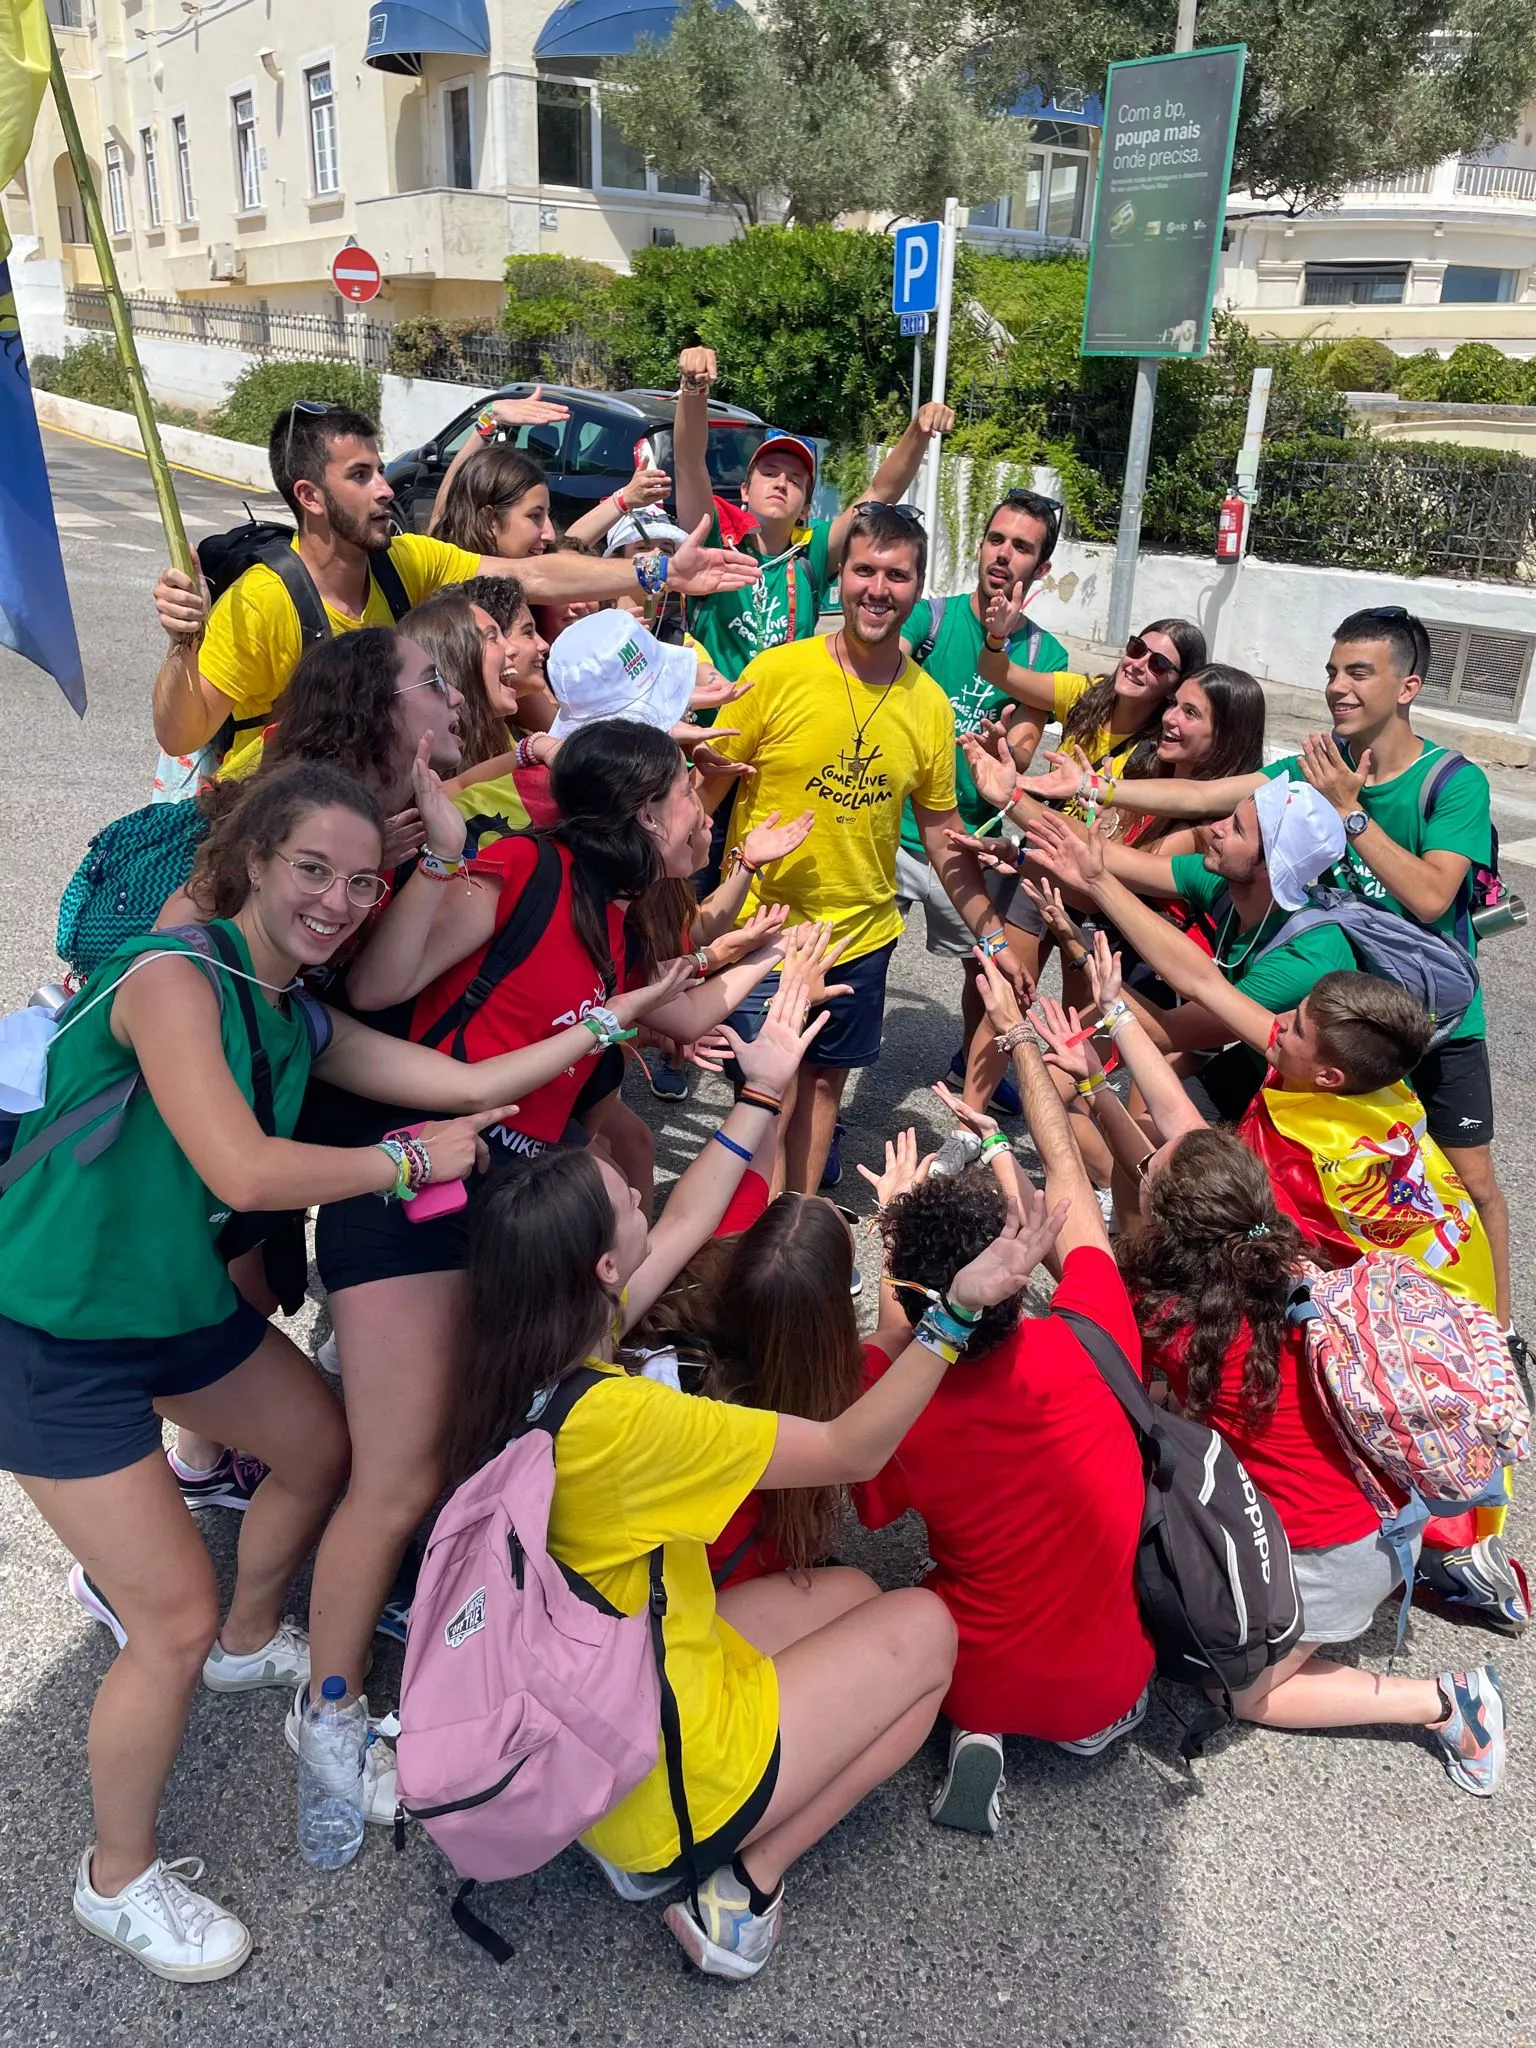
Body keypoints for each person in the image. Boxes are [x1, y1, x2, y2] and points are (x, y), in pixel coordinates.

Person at [0, 761, 717, 1982]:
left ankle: (247, 1637)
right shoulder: (178, 979)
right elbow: (240, 1168)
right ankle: (113, 1876)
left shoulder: (300, 1013)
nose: (337, 899)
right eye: (311, 871)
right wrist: (396, 1167)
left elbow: (478, 1084)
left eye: (359, 879)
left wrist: (629, 1008)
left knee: (324, 1446)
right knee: (157, 1616)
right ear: (256, 864)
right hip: (45, 1330)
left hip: (163, 1309)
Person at [445, 939, 1053, 1979]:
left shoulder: (535, 1351)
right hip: (661, 1769)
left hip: (603, 1672)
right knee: (928, 1630)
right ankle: (737, 1888)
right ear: (602, 1263)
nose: (647, 1191)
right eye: (624, 1196)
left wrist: (760, 1094)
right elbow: (854, 1443)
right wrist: (955, 1312)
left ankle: (689, 1813)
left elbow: (689, 1220)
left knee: (852, 1586)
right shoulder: (632, 1422)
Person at [302, 723, 822, 1793]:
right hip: (413, 1190)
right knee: (395, 1477)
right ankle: (330, 1709)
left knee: (471, 1432)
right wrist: (444, 857)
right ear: (642, 810)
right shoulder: (523, 868)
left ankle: (425, 1603)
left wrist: (777, 971)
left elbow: (672, 1009)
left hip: (511, 1203)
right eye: (692, 794)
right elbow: (373, 993)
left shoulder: (615, 915)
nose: (704, 812)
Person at [1029, 605, 1513, 1339]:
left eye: (1359, 672)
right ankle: (1297, 1323)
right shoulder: (1318, 766)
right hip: (1329, 1026)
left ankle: (1497, 1335)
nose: (1337, 688)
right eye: (1331, 672)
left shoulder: (1451, 784)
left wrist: (1351, 814)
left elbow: (1431, 895)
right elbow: (1200, 796)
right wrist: (1094, 791)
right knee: (1308, 1175)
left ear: (1408, 685)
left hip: (1432, 1023)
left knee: (1468, 1183)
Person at [855, 954, 1154, 1835]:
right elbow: (1068, 1187)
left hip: (973, 1667)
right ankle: (1072, 1731)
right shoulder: (1094, 1322)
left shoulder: (893, 1399)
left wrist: (893, 1240)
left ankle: (974, 1727)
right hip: (1111, 1683)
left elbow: (889, 1355)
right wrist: (1021, 1039)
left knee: (912, 1592)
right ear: (1016, 1264)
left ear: (912, 1291)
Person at [1117, 1127, 1506, 1794]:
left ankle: (1448, 1703)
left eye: (1150, 1172)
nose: (1142, 1164)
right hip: (1391, 1505)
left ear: (1171, 1227)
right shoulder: (1292, 1253)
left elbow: (1087, 1286)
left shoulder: (1178, 1326)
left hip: (1336, 1556)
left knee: (1240, 1694)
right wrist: (1097, 1079)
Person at [150, 404, 762, 781]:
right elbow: (181, 736)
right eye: (360, 477)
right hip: (278, 829)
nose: (386, 489)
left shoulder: (402, 560)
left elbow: (528, 575)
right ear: (310, 496)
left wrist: (658, 575)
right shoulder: (262, 601)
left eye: (378, 469)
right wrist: (182, 645)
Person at [699, 503, 1028, 1195]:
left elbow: (941, 835)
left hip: (862, 935)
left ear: (917, 589)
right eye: (864, 570)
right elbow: (703, 795)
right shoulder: (776, 672)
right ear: (840, 576)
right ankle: (749, 1241)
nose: (878, 589)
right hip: (764, 935)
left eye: (897, 576)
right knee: (769, 1094)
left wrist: (994, 938)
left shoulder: (930, 704)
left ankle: (798, 1228)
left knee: (821, 1091)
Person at [1011, 773, 1354, 1127]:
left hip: (1328, 1118)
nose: (1216, 828)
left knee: (1158, 1142)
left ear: (1271, 867)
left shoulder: (1302, 962)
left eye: (1236, 828)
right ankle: (1106, 1175)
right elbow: (1108, 859)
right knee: (1051, 1087)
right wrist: (1010, 795)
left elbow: (1165, 1032)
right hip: (1261, 1067)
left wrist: (1081, 950)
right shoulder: (1228, 881)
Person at [891, 489, 1071, 1115]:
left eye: (1022, 547)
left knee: (984, 970)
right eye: (996, 539)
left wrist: (1004, 750)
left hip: (968, 843)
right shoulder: (929, 618)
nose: (1003, 554)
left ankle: (975, 1060)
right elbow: (887, 679)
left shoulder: (1045, 656)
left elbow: (1021, 748)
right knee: (851, 963)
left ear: (1040, 569)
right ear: (979, 544)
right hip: (891, 828)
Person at [671, 346, 957, 683]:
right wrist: (693, 390)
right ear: (745, 491)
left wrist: (918, 432)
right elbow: (689, 462)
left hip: (786, 729)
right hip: (710, 729)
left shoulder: (811, 554)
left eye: (795, 480)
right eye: (769, 473)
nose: (781, 483)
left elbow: (880, 492)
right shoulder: (715, 537)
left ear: (806, 506)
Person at [634, 1181, 867, 1587]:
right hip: (709, 1590)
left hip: (652, 1567)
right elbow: (898, 1345)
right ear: (833, 1315)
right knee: (858, 1591)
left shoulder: (665, 1352)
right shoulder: (824, 1391)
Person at [426, 389, 670, 551]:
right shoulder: (450, 576)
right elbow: (445, 509)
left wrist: (626, 499)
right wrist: (489, 418)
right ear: (489, 519)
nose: (550, 534)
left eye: (546, 515)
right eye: (534, 516)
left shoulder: (540, 575)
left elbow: (572, 543)